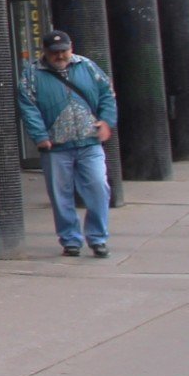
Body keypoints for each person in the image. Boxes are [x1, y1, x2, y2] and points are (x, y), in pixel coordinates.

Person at [17, 30, 118, 258]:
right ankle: (70, 240)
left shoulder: (87, 66)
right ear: (45, 52)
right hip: (55, 146)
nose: (60, 56)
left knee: (99, 188)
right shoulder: (32, 74)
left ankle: (98, 238)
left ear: (71, 48)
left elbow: (107, 94)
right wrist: (40, 136)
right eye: (55, 52)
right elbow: (28, 107)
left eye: (64, 51)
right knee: (60, 195)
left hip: (89, 142)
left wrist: (106, 121)